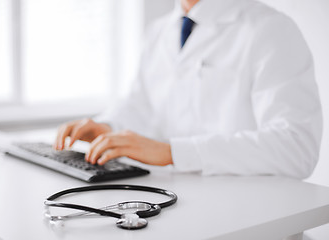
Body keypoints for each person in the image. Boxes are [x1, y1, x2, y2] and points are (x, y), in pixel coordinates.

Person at [54, 0, 322, 179]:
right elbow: (141, 104)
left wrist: (174, 152)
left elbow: (297, 148)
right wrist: (108, 127)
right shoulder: (158, 30)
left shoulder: (270, 29)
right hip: (172, 198)